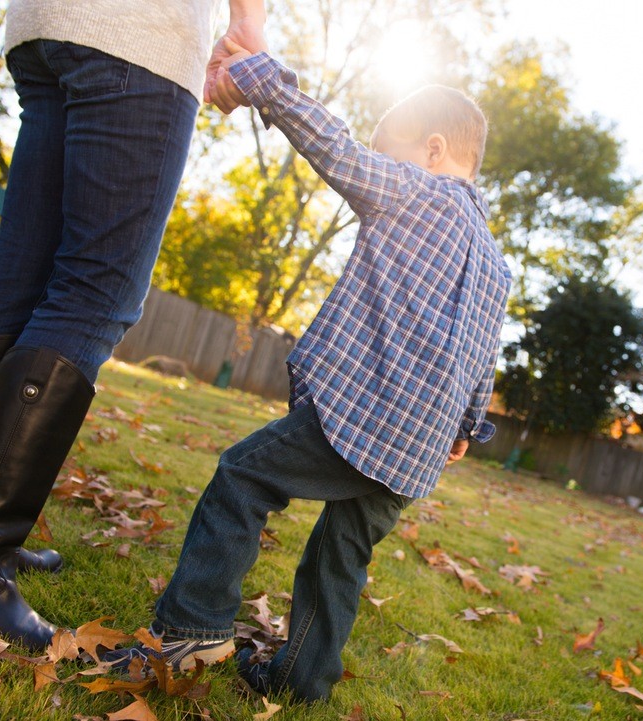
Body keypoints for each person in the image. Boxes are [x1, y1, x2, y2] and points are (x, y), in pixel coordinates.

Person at [106, 37, 511, 703]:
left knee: (243, 476)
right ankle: (302, 682)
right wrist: (468, 424)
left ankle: (191, 632)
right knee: (342, 553)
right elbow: (484, 353)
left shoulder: (418, 192)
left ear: (434, 151)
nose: (380, 169)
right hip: (420, 448)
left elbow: (336, 149)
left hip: (367, 414)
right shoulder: (496, 263)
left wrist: (261, 79)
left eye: (391, 155)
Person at [0, 0, 269, 650]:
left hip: (46, 23)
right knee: (97, 291)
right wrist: (249, 23)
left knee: (22, 269)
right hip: (135, 36)